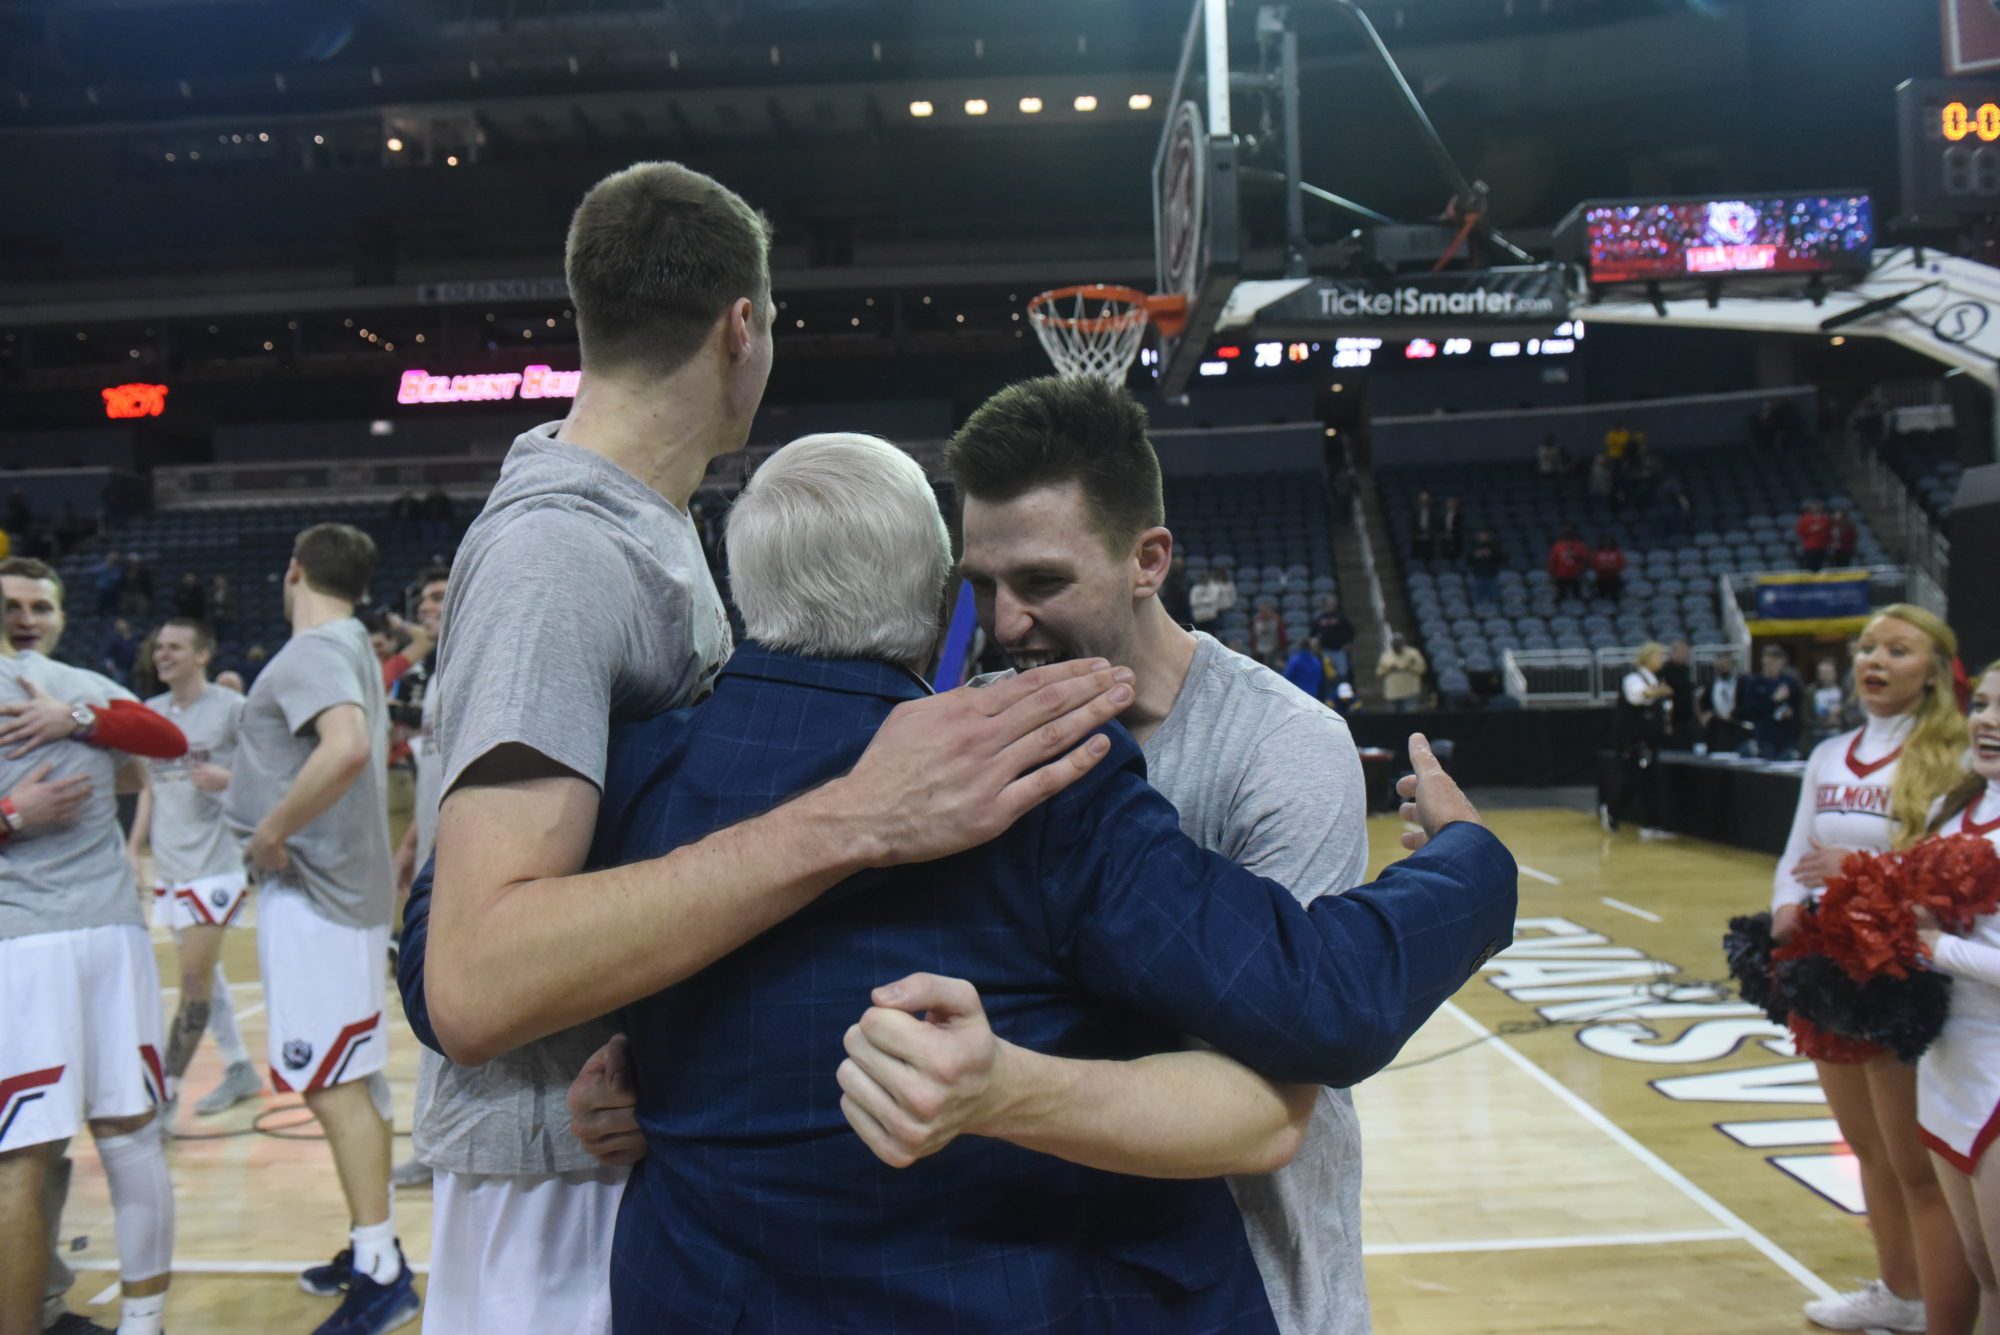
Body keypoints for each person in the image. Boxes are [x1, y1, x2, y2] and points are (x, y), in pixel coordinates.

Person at [566, 425, 1514, 1334]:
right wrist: (1473, 866)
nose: (1009, 617)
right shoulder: (1037, 775)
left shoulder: (639, 773)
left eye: (1040, 581)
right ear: (946, 598)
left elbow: (464, 960)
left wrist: (628, 1048)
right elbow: (1319, 1000)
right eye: (984, 586)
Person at [399, 164, 1133, 1335]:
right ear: (743, 327)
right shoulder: (557, 556)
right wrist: (857, 814)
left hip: (655, 1163)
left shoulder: (650, 530)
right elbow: (477, 977)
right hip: (556, 1198)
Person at [223, 523, 420, 1335]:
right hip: (345, 898)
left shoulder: (311, 650)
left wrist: (269, 831)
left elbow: (342, 749)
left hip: (317, 900)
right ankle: (375, 1244)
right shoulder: (348, 644)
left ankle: (380, 1272)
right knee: (354, 1081)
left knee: (331, 1082)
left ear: (294, 569)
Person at [1772, 606, 1979, 1335]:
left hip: (1899, 970)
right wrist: (1785, 913)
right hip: (1829, 968)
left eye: (1898, 648)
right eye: (1867, 648)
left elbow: (1952, 875)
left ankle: (1945, 1306)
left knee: (1914, 1161)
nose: (1876, 660)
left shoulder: (1954, 761)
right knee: (1864, 1145)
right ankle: (1899, 1289)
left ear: (1934, 670)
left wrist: (1861, 869)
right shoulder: (1829, 752)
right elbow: (1797, 849)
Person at [0, 571, 189, 1335]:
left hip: (37, 944)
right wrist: (16, 811)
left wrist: (75, 717)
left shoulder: (81, 689)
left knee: (32, 1153)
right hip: (102, 936)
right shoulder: (89, 689)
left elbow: (167, 742)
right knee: (123, 1137)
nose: (26, 618)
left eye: (40, 605)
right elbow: (162, 745)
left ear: (62, 613)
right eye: (12, 606)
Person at [128, 618, 262, 1122]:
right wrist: (133, 848)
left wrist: (229, 778)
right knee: (208, 978)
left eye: (175, 647)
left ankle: (165, 1097)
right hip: (171, 866)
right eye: (159, 646)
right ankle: (239, 1067)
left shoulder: (232, 709)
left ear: (202, 655)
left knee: (192, 984)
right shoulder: (150, 714)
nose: (163, 654)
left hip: (217, 866)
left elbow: (268, 772)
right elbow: (147, 786)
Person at [1913, 661, 2000, 1326]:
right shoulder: (1954, 806)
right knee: (1984, 1270)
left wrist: (1932, 946)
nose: (1988, 720)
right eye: (1984, 703)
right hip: (1946, 1063)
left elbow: (1934, 938)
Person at [1601, 642, 1674, 839]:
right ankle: (1612, 811)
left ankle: (1652, 824)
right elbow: (1638, 696)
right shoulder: (1633, 679)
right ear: (1647, 658)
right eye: (1658, 656)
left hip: (1648, 739)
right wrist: (1659, 692)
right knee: (1631, 780)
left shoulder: (1655, 680)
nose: (1661, 661)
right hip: (1631, 741)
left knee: (1652, 780)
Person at [1744, 644, 1804, 761]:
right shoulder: (1754, 683)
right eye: (1768, 663)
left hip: (1787, 737)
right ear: (1763, 662)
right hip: (1765, 737)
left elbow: (1798, 707)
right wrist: (1773, 700)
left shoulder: (1789, 683)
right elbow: (1751, 709)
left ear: (1781, 663)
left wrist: (1791, 712)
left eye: (1775, 663)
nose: (1771, 667)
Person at [1695, 650, 1752, 752]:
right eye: (1720, 665)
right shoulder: (1712, 684)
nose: (1722, 667)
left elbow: (1748, 704)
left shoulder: (1744, 682)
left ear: (1732, 664)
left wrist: (1733, 714)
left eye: (1725, 664)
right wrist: (1708, 714)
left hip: (1737, 727)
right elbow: (1704, 703)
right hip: (1717, 730)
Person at [1659, 639, 1696, 750]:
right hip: (1673, 718)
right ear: (1674, 652)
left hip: (1687, 717)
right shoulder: (1665, 670)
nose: (1686, 655)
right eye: (1683, 652)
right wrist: (1666, 721)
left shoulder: (1686, 669)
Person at [1377, 632, 1426, 713]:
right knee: (1394, 722)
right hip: (1392, 693)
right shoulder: (1386, 655)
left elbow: (1422, 668)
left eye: (1398, 643)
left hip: (1410, 692)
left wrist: (1409, 667)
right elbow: (1379, 672)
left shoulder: (1413, 653)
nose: (1396, 646)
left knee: (1409, 720)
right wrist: (1389, 669)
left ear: (1403, 643)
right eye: (1394, 644)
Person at [1312, 594, 1355, 682]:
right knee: (1329, 674)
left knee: (1342, 673)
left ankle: (1344, 692)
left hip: (1339, 650)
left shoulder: (1341, 617)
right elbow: (1313, 633)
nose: (1331, 606)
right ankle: (1331, 693)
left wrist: (1348, 642)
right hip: (1326, 650)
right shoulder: (1320, 618)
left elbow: (1351, 630)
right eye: (1329, 604)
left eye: (1333, 604)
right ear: (1324, 605)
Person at [1547, 526, 1590, 602]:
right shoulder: (1558, 546)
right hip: (1561, 575)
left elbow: (1585, 559)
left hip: (1576, 575)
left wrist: (1576, 556)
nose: (1568, 535)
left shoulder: (1580, 546)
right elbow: (1553, 561)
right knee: (1561, 596)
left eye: (1570, 533)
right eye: (1567, 533)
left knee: (1577, 596)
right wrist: (1552, 573)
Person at [1811, 657, 1850, 740]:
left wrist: (1841, 717)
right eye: (1823, 672)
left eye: (1829, 672)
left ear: (1835, 673)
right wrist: (1825, 722)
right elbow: (1806, 717)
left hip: (1840, 733)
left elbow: (1850, 713)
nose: (1826, 676)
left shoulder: (1843, 691)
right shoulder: (1811, 692)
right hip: (1818, 735)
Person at [1465, 529, 1502, 608]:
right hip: (1477, 575)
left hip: (1491, 575)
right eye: (1481, 535)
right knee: (1478, 599)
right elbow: (1468, 561)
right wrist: (1475, 556)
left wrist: (1491, 554)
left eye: (1485, 535)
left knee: (1493, 599)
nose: (1483, 537)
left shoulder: (1494, 546)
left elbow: (1501, 559)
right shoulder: (1472, 547)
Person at [1282, 638, 1325, 703]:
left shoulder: (1294, 661)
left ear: (1299, 647)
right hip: (1313, 696)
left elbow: (1286, 678)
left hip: (1298, 696)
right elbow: (1320, 680)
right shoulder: (1316, 662)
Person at [1796, 499, 1832, 571]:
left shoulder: (1826, 519)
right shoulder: (1805, 519)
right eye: (1815, 507)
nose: (1817, 508)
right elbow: (1800, 531)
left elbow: (1829, 533)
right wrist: (1811, 530)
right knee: (1809, 567)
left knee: (1820, 567)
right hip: (1810, 547)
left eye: (1819, 507)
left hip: (1822, 547)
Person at [101, 618, 139, 685]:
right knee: (118, 686)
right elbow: (107, 653)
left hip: (133, 669)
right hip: (119, 669)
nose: (121, 626)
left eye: (122, 624)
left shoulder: (134, 638)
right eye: (118, 625)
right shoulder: (114, 639)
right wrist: (109, 663)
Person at [1591, 532, 1627, 603]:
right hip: (1601, 577)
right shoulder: (1597, 553)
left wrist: (1613, 566)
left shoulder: (1617, 552)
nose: (1606, 543)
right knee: (1602, 595)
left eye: (1608, 542)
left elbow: (1623, 563)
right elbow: (1593, 563)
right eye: (1605, 542)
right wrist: (1601, 567)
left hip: (1613, 577)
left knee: (1614, 595)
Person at [1160, 551, 1191, 625]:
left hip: (1184, 604)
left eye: (1181, 564)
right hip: (1173, 605)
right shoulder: (1170, 576)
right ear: (1174, 564)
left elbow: (1186, 588)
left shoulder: (1184, 576)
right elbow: (1166, 591)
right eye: (1178, 564)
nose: (1180, 565)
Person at [1410, 489, 1437, 560]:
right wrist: (1418, 535)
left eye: (1426, 500)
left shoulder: (1434, 514)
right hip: (1418, 538)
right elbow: (1413, 526)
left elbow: (1434, 527)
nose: (1424, 502)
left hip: (1429, 539)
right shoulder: (1415, 514)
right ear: (1419, 501)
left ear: (1429, 501)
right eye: (1422, 500)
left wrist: (1428, 535)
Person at [1438, 496, 1465, 561]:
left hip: (1456, 539)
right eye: (1449, 502)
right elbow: (1440, 527)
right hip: (1444, 540)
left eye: (1452, 503)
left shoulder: (1460, 516)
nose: (1451, 504)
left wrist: (1452, 535)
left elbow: (1460, 527)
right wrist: (1444, 534)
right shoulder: (1443, 516)